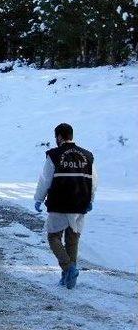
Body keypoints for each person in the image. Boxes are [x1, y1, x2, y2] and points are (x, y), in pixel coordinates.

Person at [34, 123, 97, 289]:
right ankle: (69, 278)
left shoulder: (54, 155)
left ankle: (68, 269)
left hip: (59, 203)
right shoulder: (87, 155)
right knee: (72, 239)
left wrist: (38, 198)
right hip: (80, 204)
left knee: (53, 237)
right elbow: (94, 180)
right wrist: (90, 200)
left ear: (59, 137)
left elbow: (45, 179)